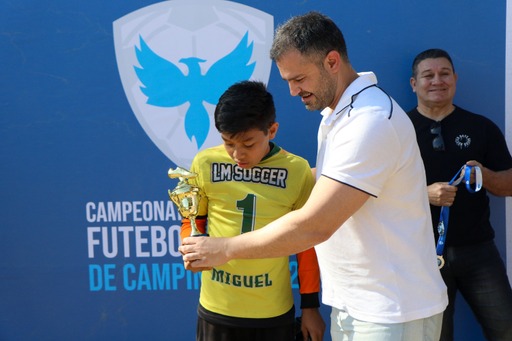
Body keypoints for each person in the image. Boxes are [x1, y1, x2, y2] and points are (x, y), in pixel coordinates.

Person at [179, 12, 448, 341]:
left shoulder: (369, 121)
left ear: (332, 61)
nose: (293, 91)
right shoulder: (338, 115)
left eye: (299, 79)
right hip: (358, 305)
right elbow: (337, 180)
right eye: (288, 81)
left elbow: (314, 225)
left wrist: (225, 248)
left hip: (391, 311)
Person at [178, 80, 325, 341]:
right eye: (228, 143)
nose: (237, 154)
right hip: (217, 308)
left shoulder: (297, 170)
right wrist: (190, 245)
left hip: (273, 312)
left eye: (248, 144)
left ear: (272, 130)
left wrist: (310, 306)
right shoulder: (204, 162)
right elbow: (193, 220)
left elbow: (306, 245)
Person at [407, 48, 512, 341]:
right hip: (421, 254)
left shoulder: (481, 127)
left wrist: (485, 176)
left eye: (444, 74)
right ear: (414, 84)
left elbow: (509, 183)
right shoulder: (398, 130)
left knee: (506, 328)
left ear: (455, 79)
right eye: (428, 75)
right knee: (436, 337)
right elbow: (376, 193)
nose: (437, 80)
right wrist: (423, 194)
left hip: (478, 251)